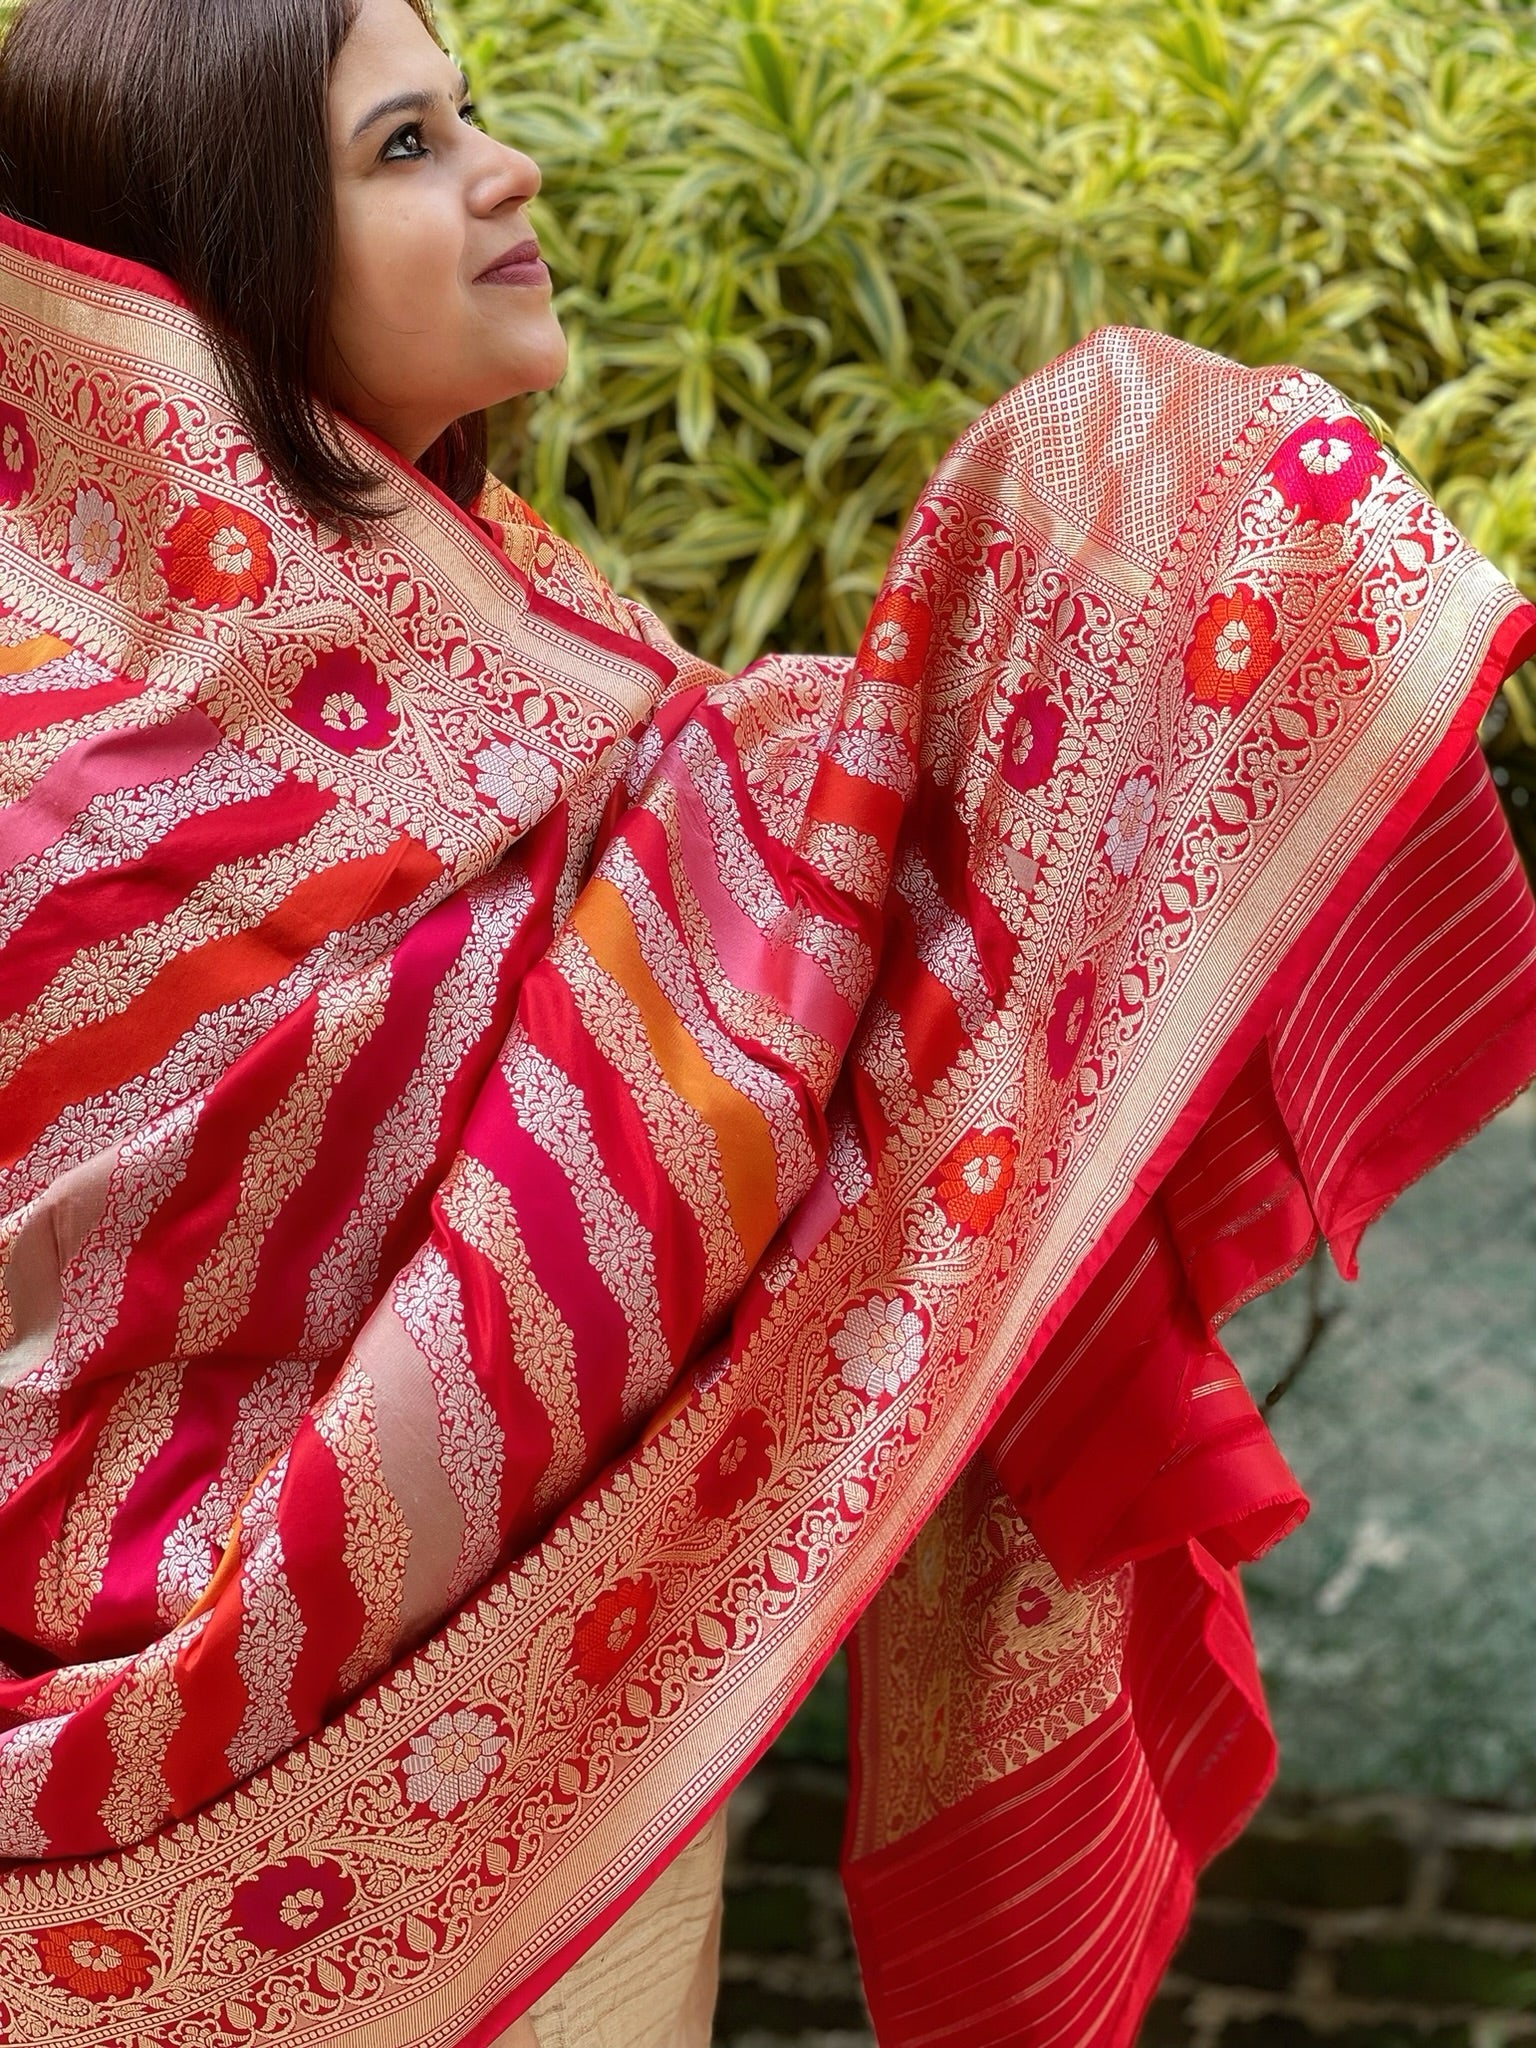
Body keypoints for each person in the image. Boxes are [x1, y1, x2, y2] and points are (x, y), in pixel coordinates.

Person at [0, 0, 1531, 2043]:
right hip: (208, 1866)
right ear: (204, 271)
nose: (507, 169)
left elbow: (743, 1059)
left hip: (556, 1767)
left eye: (471, 115)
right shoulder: (70, 784)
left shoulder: (535, 636)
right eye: (403, 148)